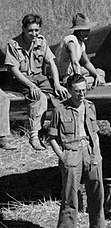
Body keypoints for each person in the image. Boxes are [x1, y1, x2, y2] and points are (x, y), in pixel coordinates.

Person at [47, 74, 111, 228]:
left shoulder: (90, 106)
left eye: (84, 90)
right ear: (69, 91)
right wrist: (62, 156)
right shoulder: (60, 110)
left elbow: (95, 132)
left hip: (91, 152)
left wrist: (97, 153)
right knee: (70, 195)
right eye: (77, 91)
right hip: (71, 153)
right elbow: (52, 137)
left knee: (97, 191)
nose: (81, 94)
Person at [5, 13, 68, 150]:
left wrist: (57, 83)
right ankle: (34, 135)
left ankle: (64, 132)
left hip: (40, 77)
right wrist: (31, 85)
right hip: (22, 79)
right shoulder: (13, 44)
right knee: (38, 97)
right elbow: (14, 70)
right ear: (23, 29)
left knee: (64, 95)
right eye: (30, 30)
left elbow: (51, 62)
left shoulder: (41, 40)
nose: (34, 34)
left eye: (36, 30)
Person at [54, 13, 105, 88]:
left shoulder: (81, 44)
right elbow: (74, 62)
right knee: (91, 80)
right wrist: (79, 81)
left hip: (75, 73)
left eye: (88, 29)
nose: (87, 32)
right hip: (65, 77)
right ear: (78, 30)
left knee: (100, 73)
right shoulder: (71, 40)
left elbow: (86, 62)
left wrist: (97, 75)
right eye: (84, 30)